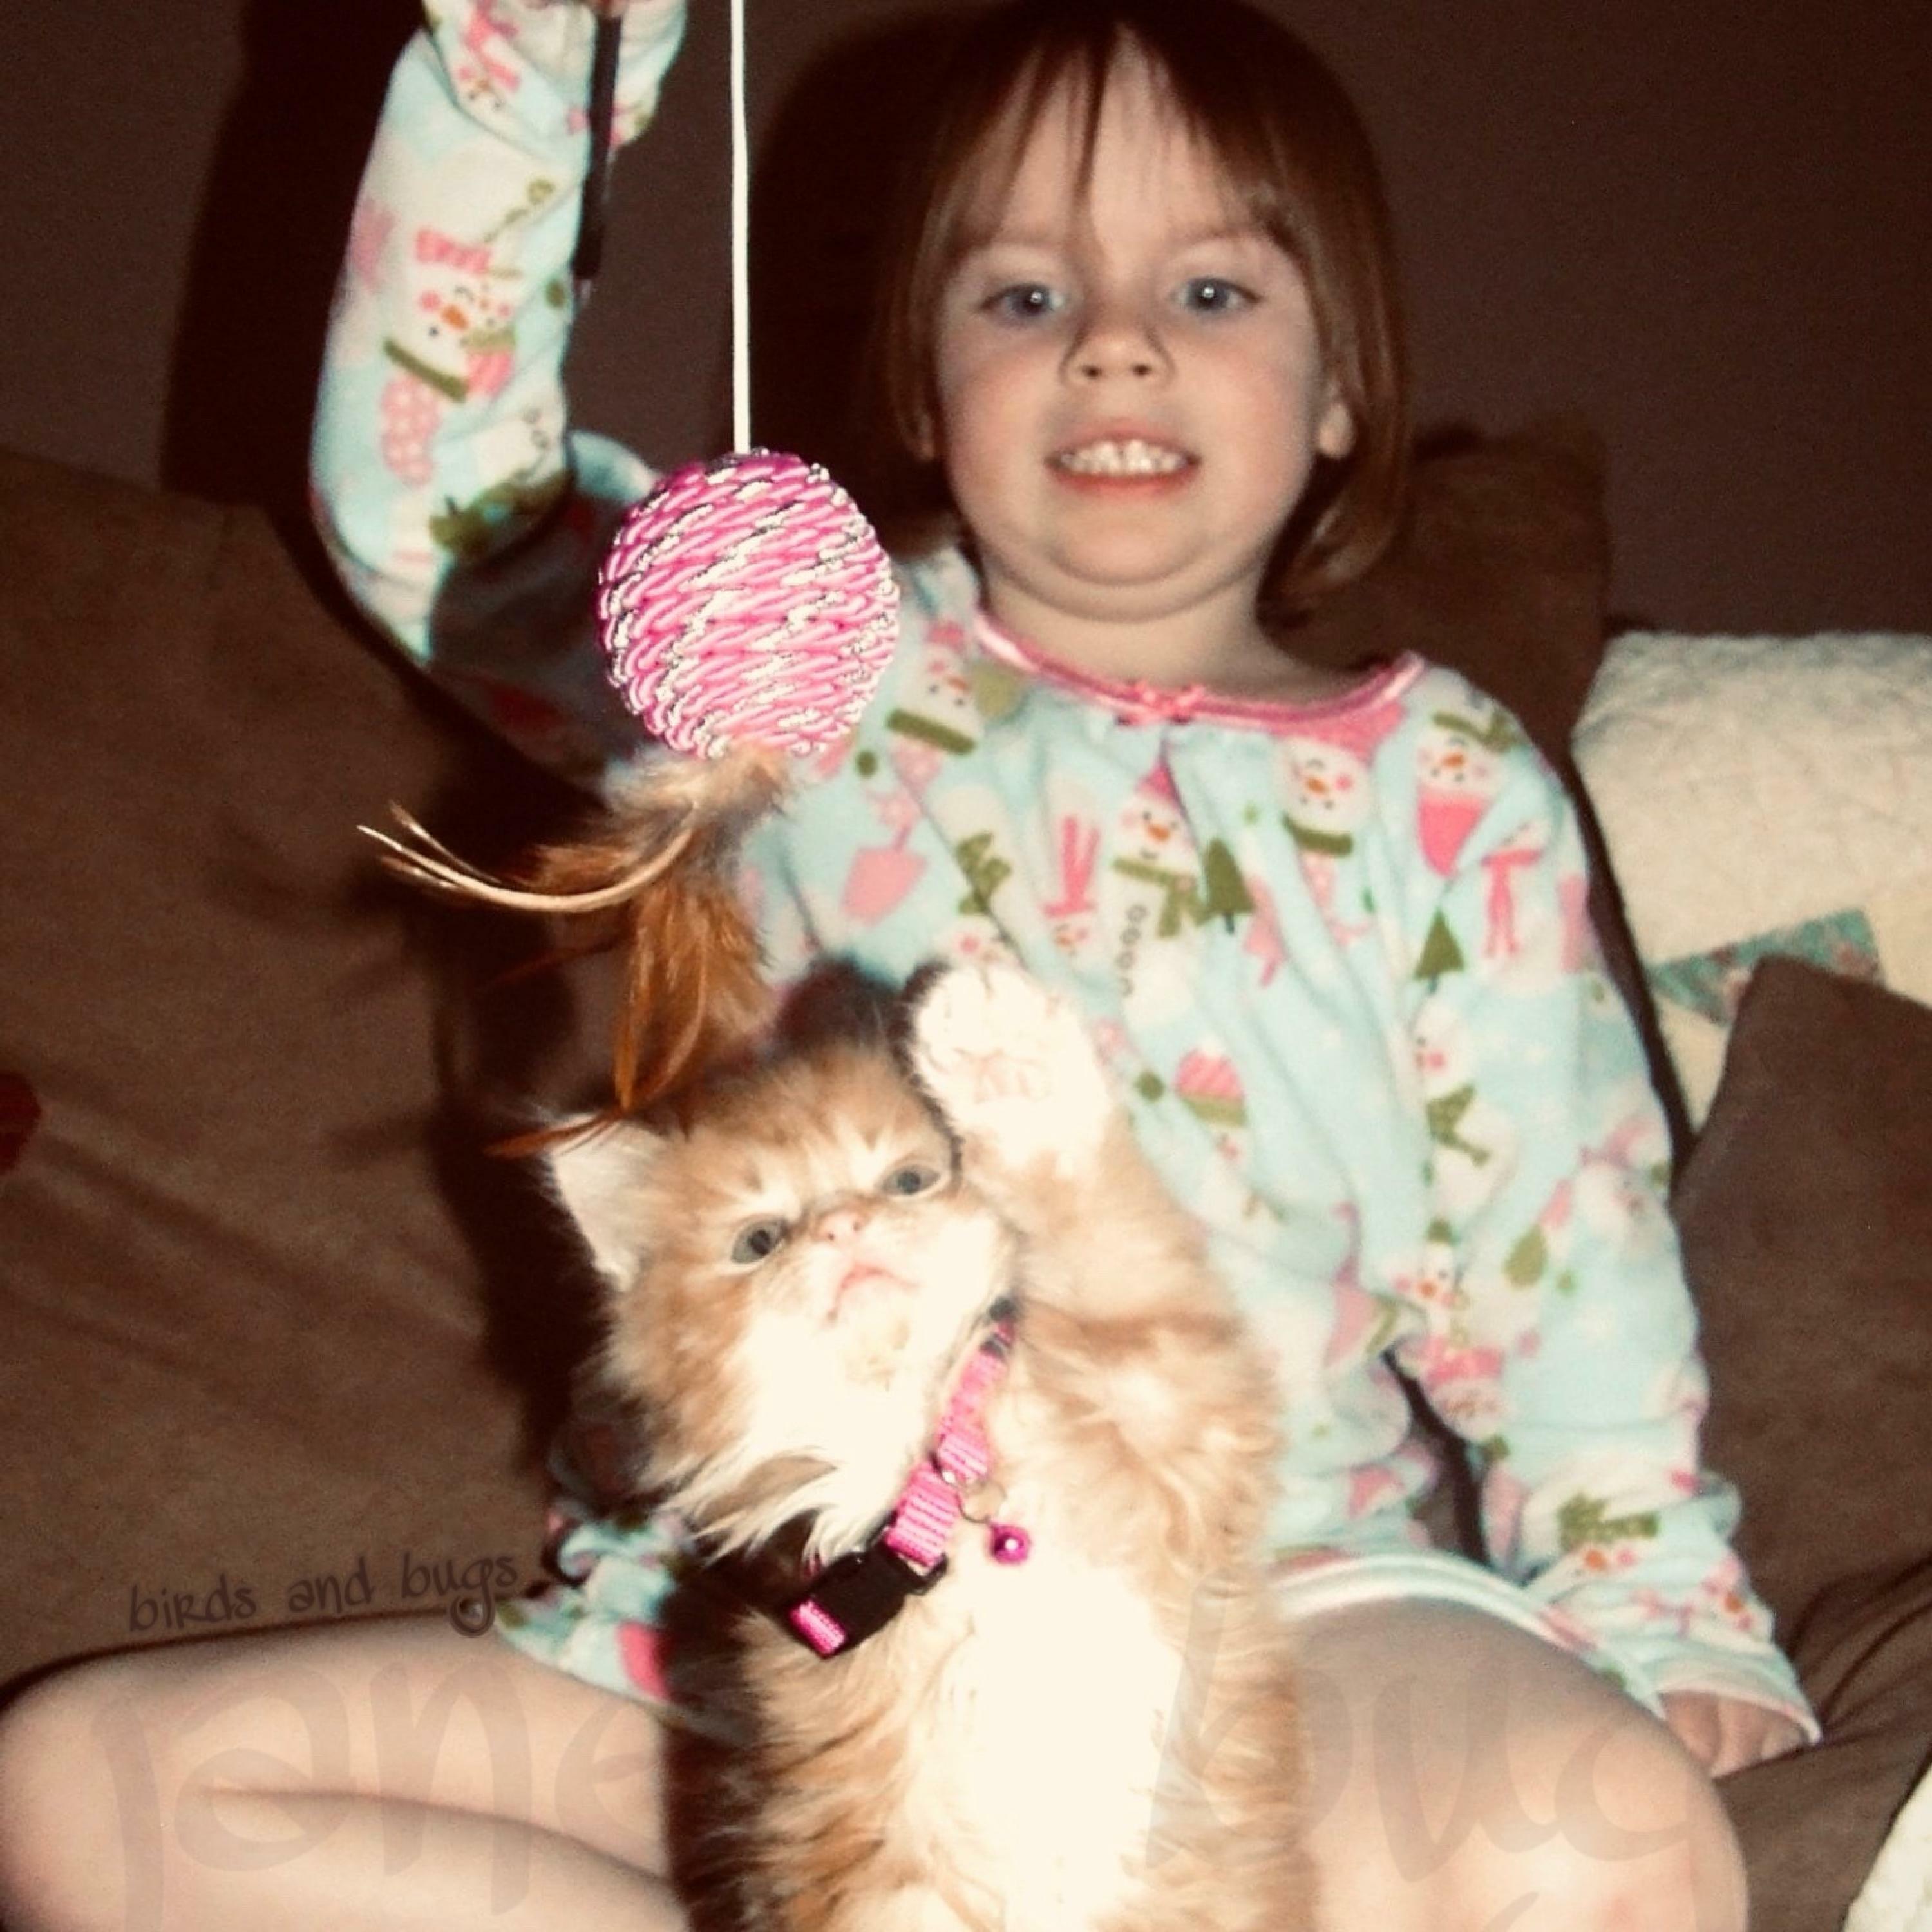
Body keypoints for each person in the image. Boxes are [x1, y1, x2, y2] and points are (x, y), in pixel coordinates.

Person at [0, 1, 1816, 1927]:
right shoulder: (801, 665)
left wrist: (1660, 1608)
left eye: (1209, 290)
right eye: (1025, 297)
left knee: (1605, 1839)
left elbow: (1568, 1270)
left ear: (1342, 386)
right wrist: (521, 60)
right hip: (779, 1651)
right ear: (928, 388)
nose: (1114, 340)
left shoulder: (1448, 788)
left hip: (1273, 1604)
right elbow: (436, 506)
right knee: (88, 1786)